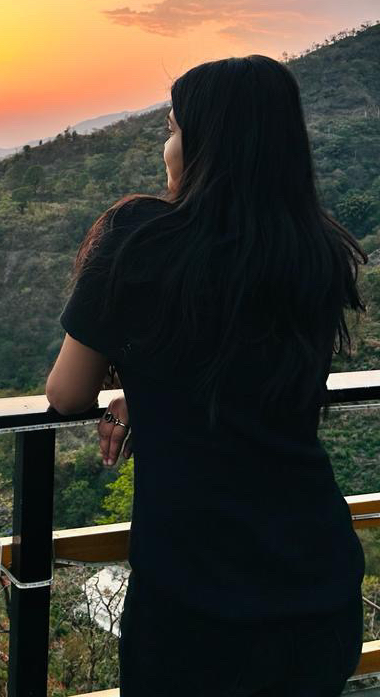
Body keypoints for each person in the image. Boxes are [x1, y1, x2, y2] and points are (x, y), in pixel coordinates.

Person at [45, 55, 368, 696]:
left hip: (197, 597)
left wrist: (137, 380)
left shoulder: (139, 237)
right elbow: (251, 372)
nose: (167, 147)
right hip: (319, 586)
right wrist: (154, 390)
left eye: (171, 128)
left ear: (205, 144)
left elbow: (67, 393)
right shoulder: (317, 252)